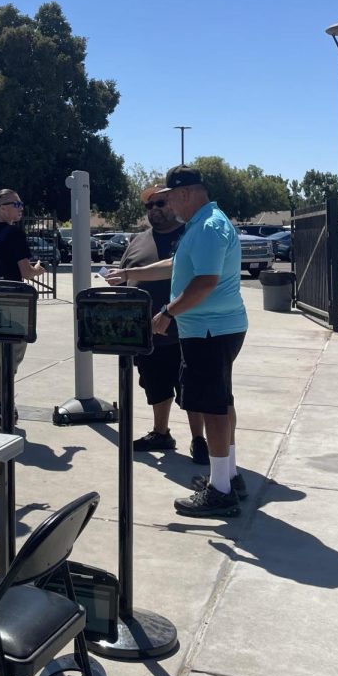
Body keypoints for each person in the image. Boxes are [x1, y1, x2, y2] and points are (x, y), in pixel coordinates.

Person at [110, 165, 247, 518]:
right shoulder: (205, 223)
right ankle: (228, 476)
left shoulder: (206, 227)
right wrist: (131, 273)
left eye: (170, 199)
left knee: (213, 407)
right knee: (222, 401)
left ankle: (220, 491)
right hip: (216, 328)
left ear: (185, 193)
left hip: (208, 330)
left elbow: (204, 282)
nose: (169, 206)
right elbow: (177, 264)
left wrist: (168, 312)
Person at [118, 186, 209, 463]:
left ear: (172, 203)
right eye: (149, 206)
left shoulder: (189, 235)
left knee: (191, 389)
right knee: (154, 385)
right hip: (145, 332)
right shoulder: (137, 240)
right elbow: (125, 276)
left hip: (184, 328)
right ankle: (161, 433)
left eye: (160, 203)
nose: (154, 209)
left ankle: (199, 440)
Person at [0, 189, 49, 431]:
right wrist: (39, 268)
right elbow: (26, 272)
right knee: (12, 359)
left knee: (1, 357)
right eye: (16, 204)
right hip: (14, 301)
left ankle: (6, 406)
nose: (21, 208)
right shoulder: (15, 234)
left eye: (21, 204)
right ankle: (0, 407)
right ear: (2, 208)